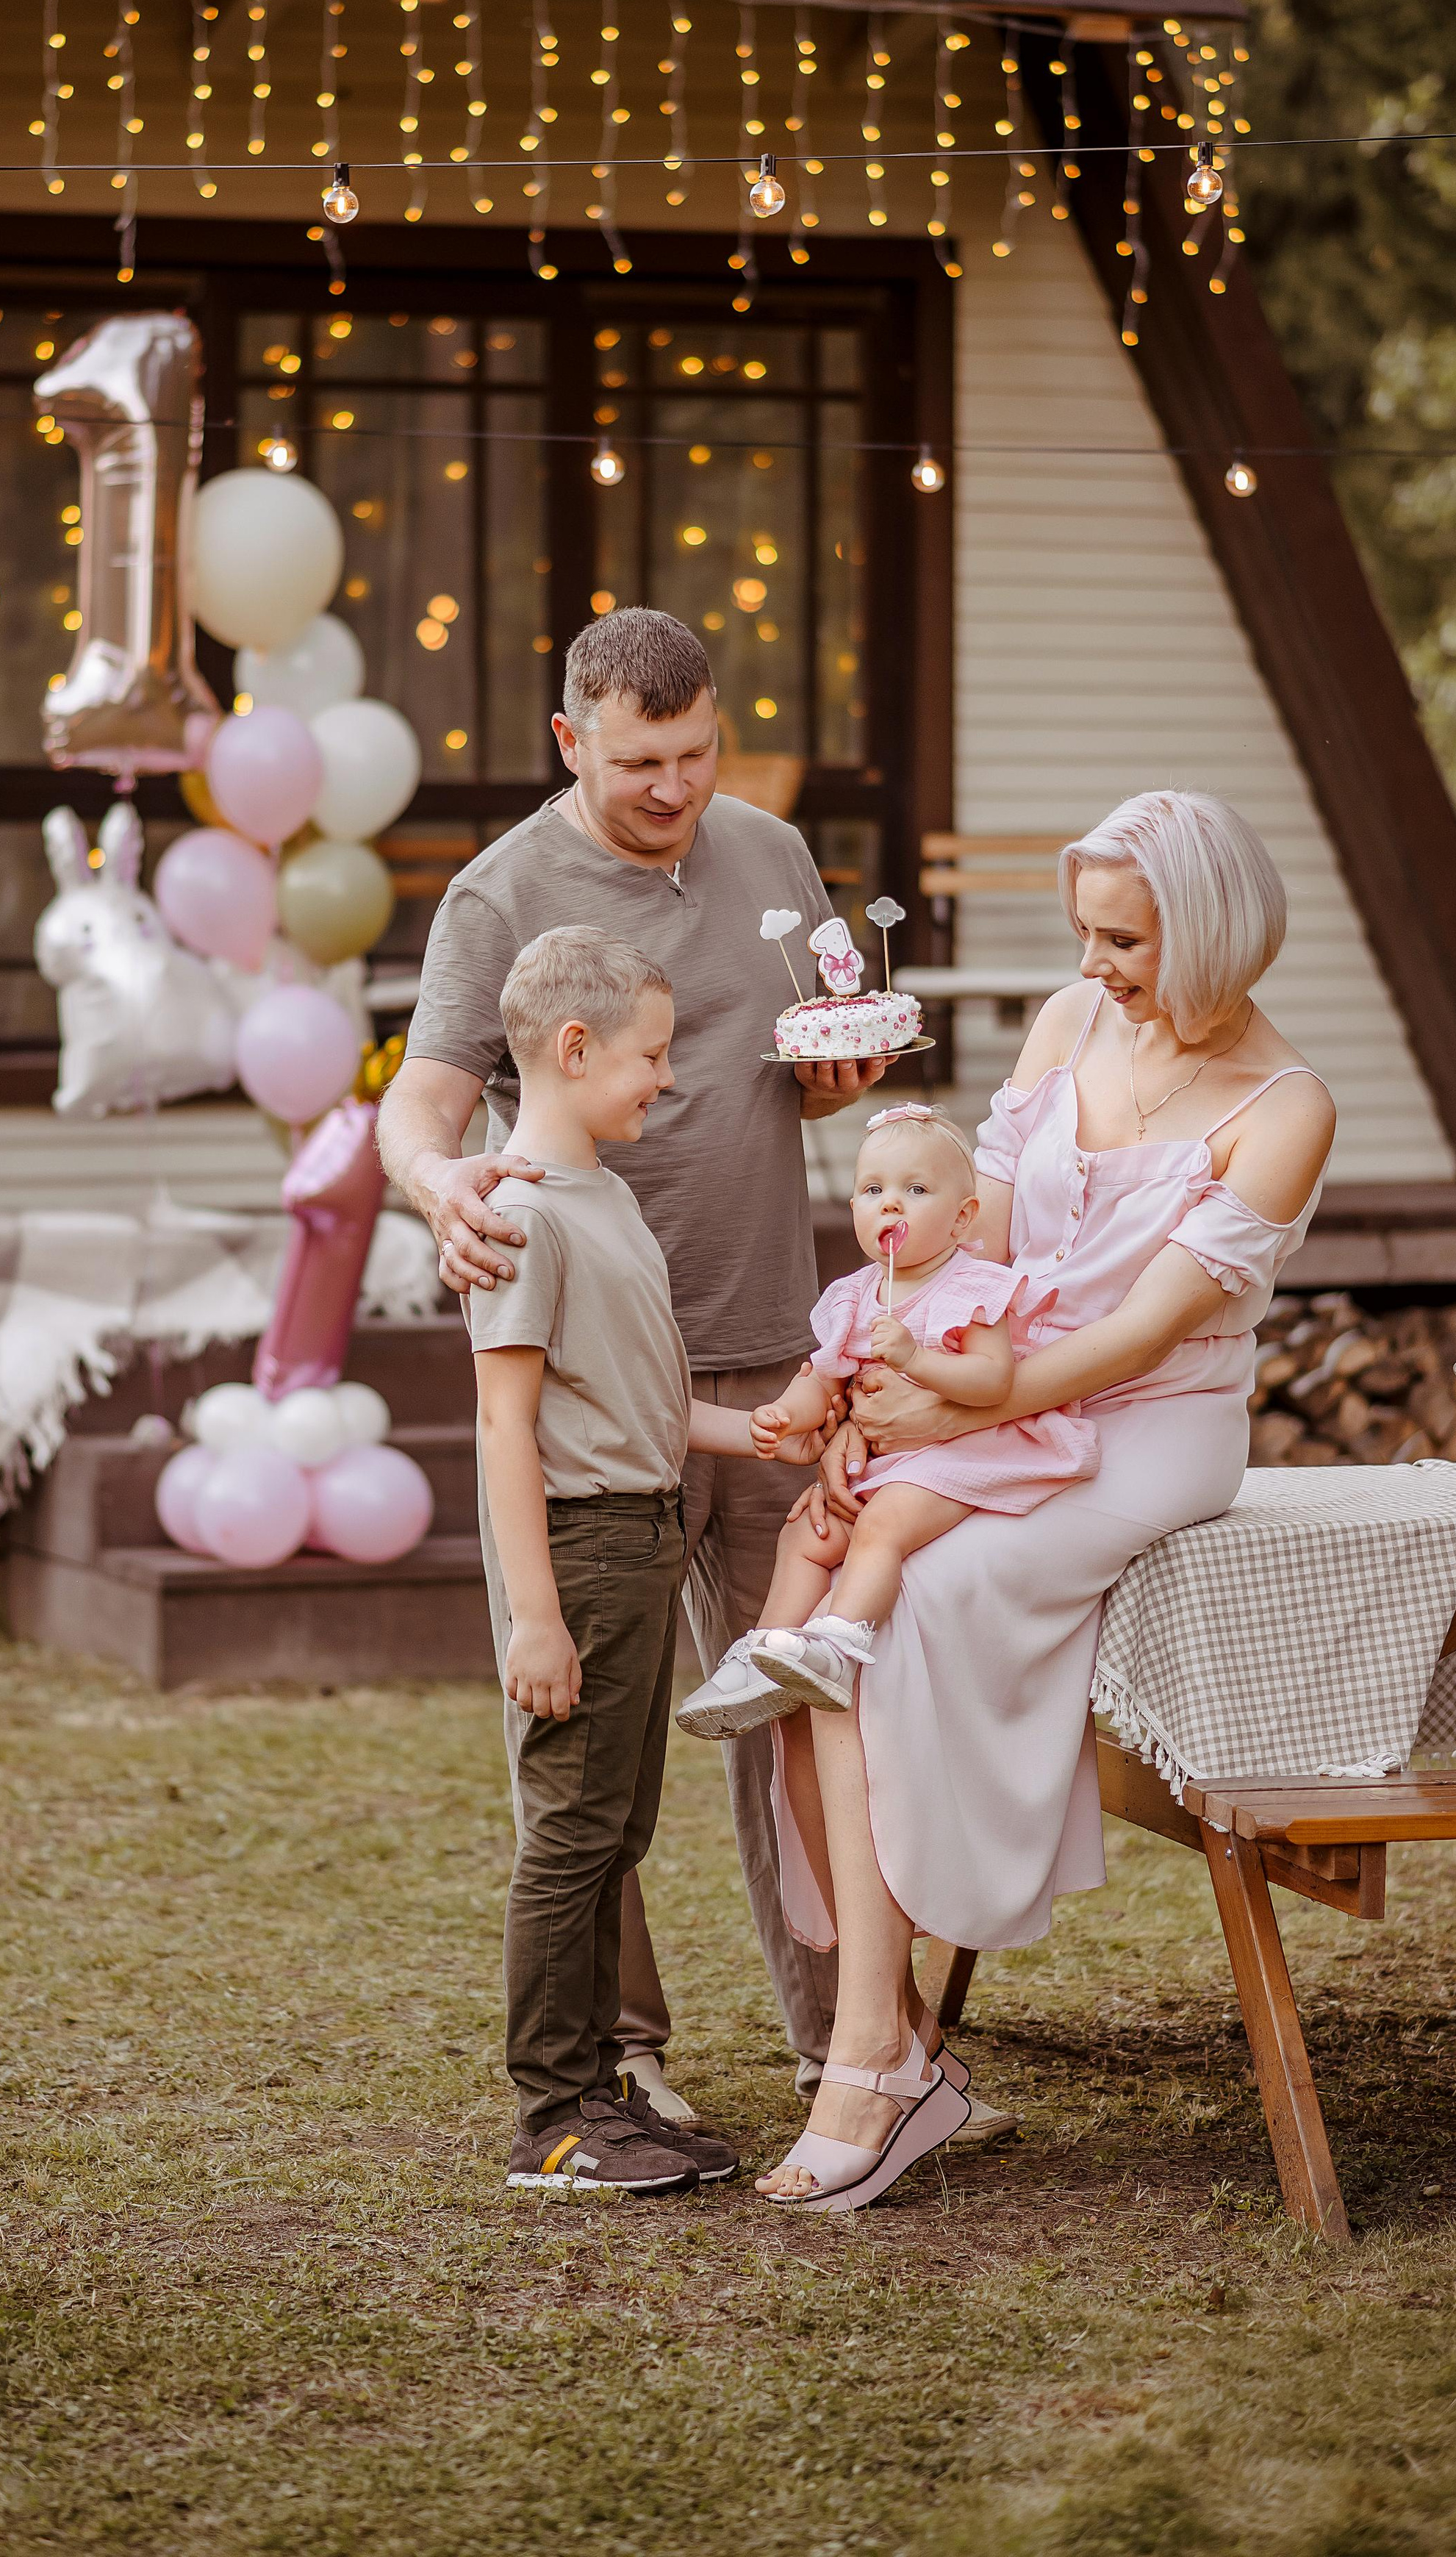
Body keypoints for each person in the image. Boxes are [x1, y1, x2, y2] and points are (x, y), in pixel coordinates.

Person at [753, 789, 1338, 2209]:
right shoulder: (1071, 1026)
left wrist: (960, 1414)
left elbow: (1138, 1337)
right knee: (820, 1594)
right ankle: (898, 2040)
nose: (1091, 965)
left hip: (1150, 1426)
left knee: (910, 1605)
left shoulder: (1287, 1108)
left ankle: (869, 2061)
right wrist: (876, 1405)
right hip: (990, 1380)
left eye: (1124, 941)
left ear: (1211, 934)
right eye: (1087, 933)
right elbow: (985, 1249)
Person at [379, 607, 883, 2112]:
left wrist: (844, 1080)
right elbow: (420, 1101)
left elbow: (803, 1066)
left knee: (807, 1712)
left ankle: (849, 2043)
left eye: (696, 755)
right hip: (588, 1393)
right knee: (589, 1739)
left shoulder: (773, 854)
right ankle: (620, 2057)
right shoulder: (497, 895)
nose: (674, 789)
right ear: (568, 742)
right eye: (638, 764)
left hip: (769, 1358)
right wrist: (439, 1185)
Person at [470, 926, 808, 2192]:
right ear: (573, 1049)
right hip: (587, 1549)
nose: (667, 1078)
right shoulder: (518, 1218)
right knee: (572, 1836)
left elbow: (646, 1404)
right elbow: (505, 1425)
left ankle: (605, 2087)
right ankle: (553, 2116)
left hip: (644, 1533)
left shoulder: (603, 1197)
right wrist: (535, 1617)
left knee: (617, 1830)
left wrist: (761, 1432)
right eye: (651, 1055)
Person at [678, 1102, 1096, 1725]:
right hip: (892, 1462)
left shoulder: (974, 1286)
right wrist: (786, 1414)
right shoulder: (853, 1296)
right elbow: (822, 1378)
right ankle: (764, 1657)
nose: (891, 1204)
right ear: (853, 1207)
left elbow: (994, 1380)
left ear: (963, 1218)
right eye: (873, 1190)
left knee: (883, 1525)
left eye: (916, 1190)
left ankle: (839, 1643)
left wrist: (915, 1359)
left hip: (963, 1455)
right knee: (807, 1536)